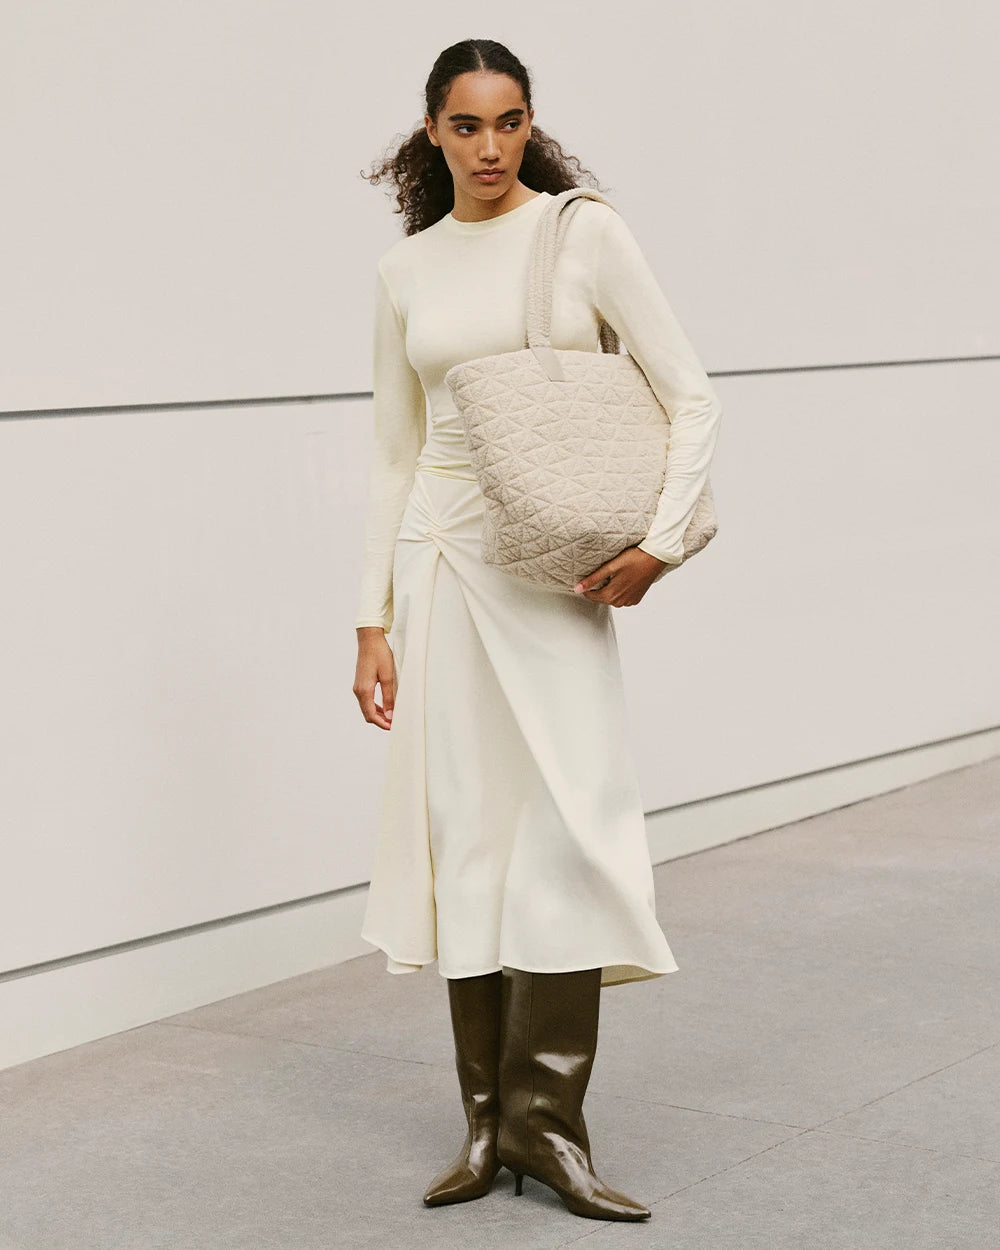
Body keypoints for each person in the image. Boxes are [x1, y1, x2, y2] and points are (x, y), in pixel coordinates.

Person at [353, 38, 723, 1223]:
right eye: (466, 126)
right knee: (466, 831)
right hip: (445, 566)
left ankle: (552, 1127)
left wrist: (661, 540)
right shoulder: (406, 269)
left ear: (530, 125)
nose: (490, 147)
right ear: (431, 135)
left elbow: (690, 388)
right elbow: (394, 455)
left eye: (509, 122)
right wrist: (371, 616)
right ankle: (487, 1126)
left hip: (550, 570)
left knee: (570, 824)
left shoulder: (584, 233)